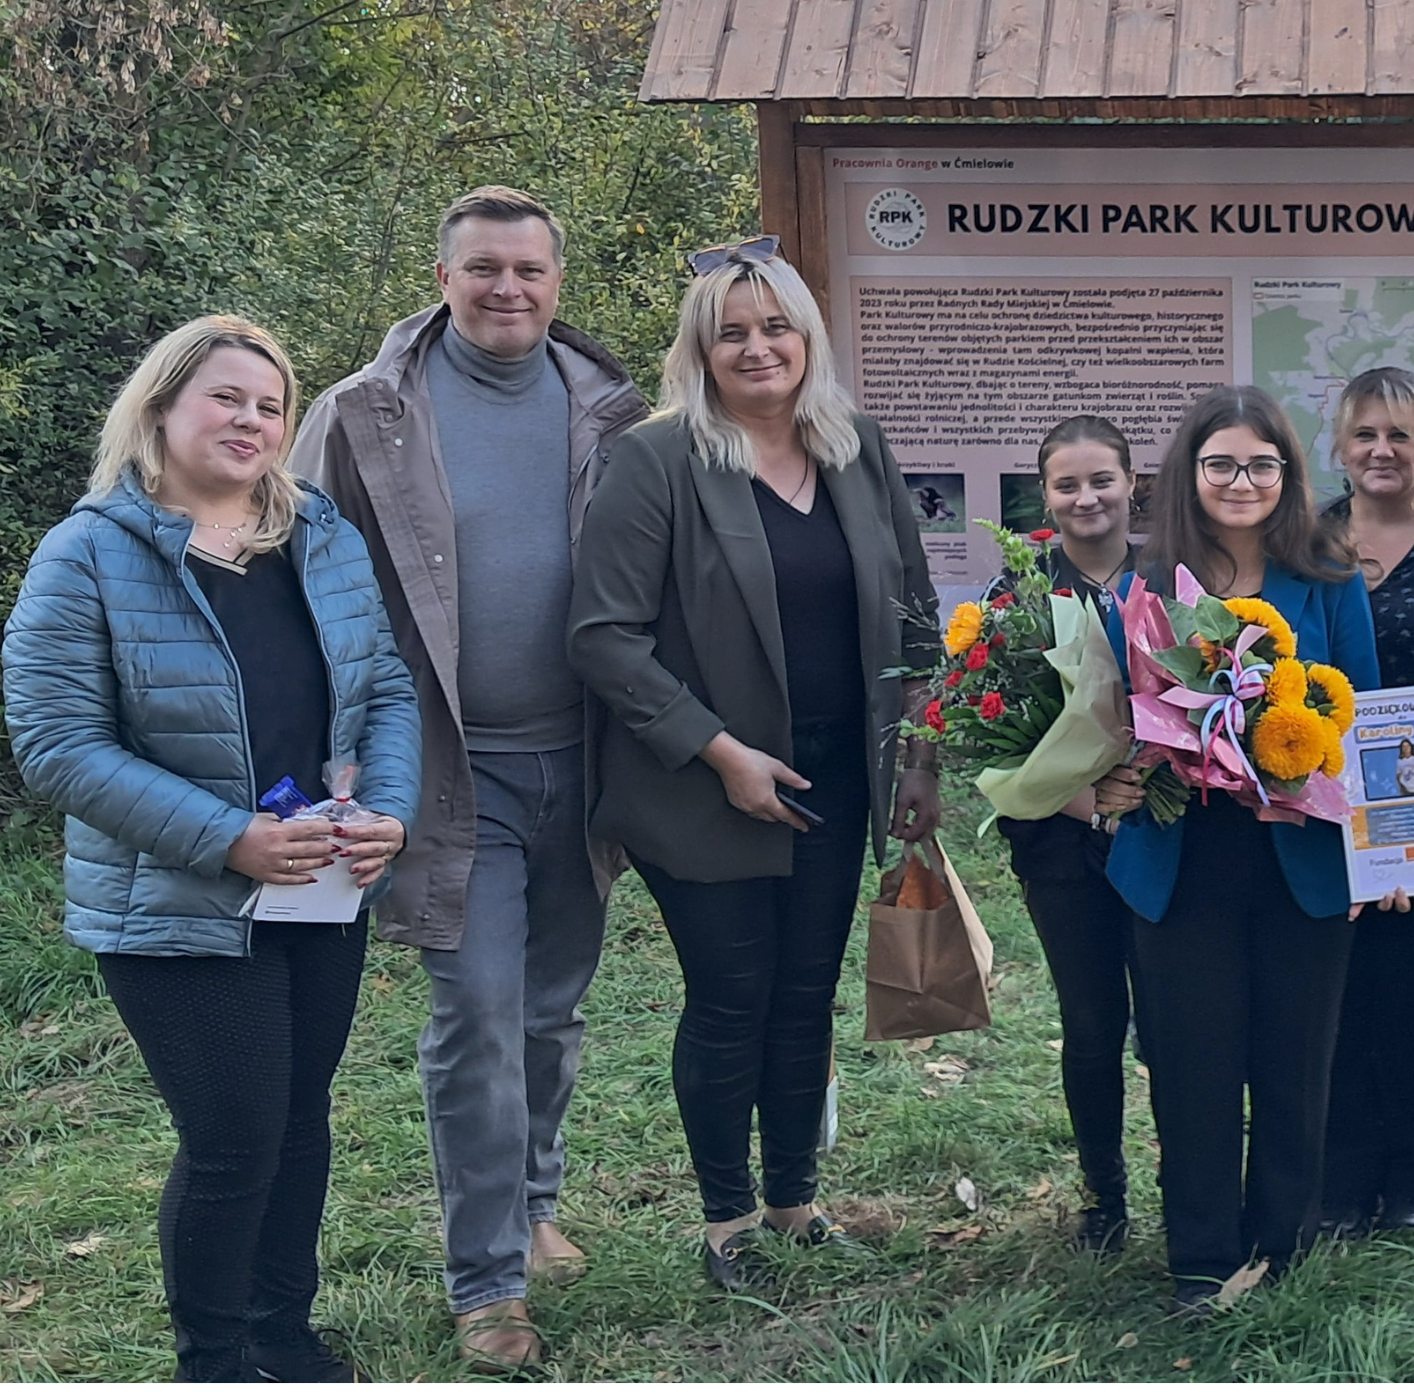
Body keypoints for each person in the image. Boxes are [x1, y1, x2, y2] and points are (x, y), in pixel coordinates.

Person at [4, 317, 419, 1382]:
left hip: (321, 887)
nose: (251, 420)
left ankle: (283, 1335)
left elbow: (385, 694)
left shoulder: (318, 534)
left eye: (270, 404)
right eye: (225, 397)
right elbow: (56, 747)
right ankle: (217, 1361)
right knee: (235, 1136)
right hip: (172, 902)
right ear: (160, 409)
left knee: (299, 1124)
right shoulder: (87, 552)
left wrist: (391, 811)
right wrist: (227, 838)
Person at [290, 186, 648, 1370]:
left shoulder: (613, 408)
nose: (508, 289)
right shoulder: (361, 414)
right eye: (484, 269)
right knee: (479, 1012)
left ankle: (535, 1206)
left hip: (584, 760)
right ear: (443, 277)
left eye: (529, 271)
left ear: (558, 281)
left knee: (550, 1009)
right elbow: (298, 585)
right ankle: (486, 1282)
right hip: (444, 771)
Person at [566, 241, 942, 1294]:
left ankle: (796, 1202)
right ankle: (726, 1219)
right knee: (732, 997)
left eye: (774, 326)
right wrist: (721, 753)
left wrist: (919, 758)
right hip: (701, 787)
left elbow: (915, 616)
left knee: (805, 996)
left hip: (834, 779)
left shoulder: (855, 447)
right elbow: (602, 637)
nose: (756, 346)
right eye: (731, 331)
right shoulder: (655, 462)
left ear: (807, 337)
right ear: (701, 348)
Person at [1091, 384, 1383, 1316]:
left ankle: (1283, 1244)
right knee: (1192, 1063)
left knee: (1295, 1058)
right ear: (1189, 474)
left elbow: (1363, 721)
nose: (1241, 479)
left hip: (1299, 858)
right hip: (1179, 860)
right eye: (1221, 463)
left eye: (1262, 463)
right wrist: (1110, 778)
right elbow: (1105, 727)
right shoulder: (1142, 589)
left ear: (1288, 476)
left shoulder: (1331, 581)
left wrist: (1319, 792)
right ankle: (1201, 1257)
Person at [1316, 367, 1414, 1240]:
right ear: (1339, 447)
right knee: (1330, 988)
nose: (1382, 450)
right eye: (1365, 434)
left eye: (1399, 434)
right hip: (1316, 801)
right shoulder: (1303, 540)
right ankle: (1338, 1172)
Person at [992, 415, 1145, 1255]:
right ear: (1043, 496)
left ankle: (1189, 1177)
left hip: (1164, 839)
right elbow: (989, 740)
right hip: (1059, 848)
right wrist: (1079, 796)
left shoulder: (1177, 585)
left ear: (1132, 483)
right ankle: (1103, 1194)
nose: (1085, 497)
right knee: (1090, 1021)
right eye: (1065, 484)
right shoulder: (1012, 599)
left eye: (1101, 480)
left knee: (1170, 1021)